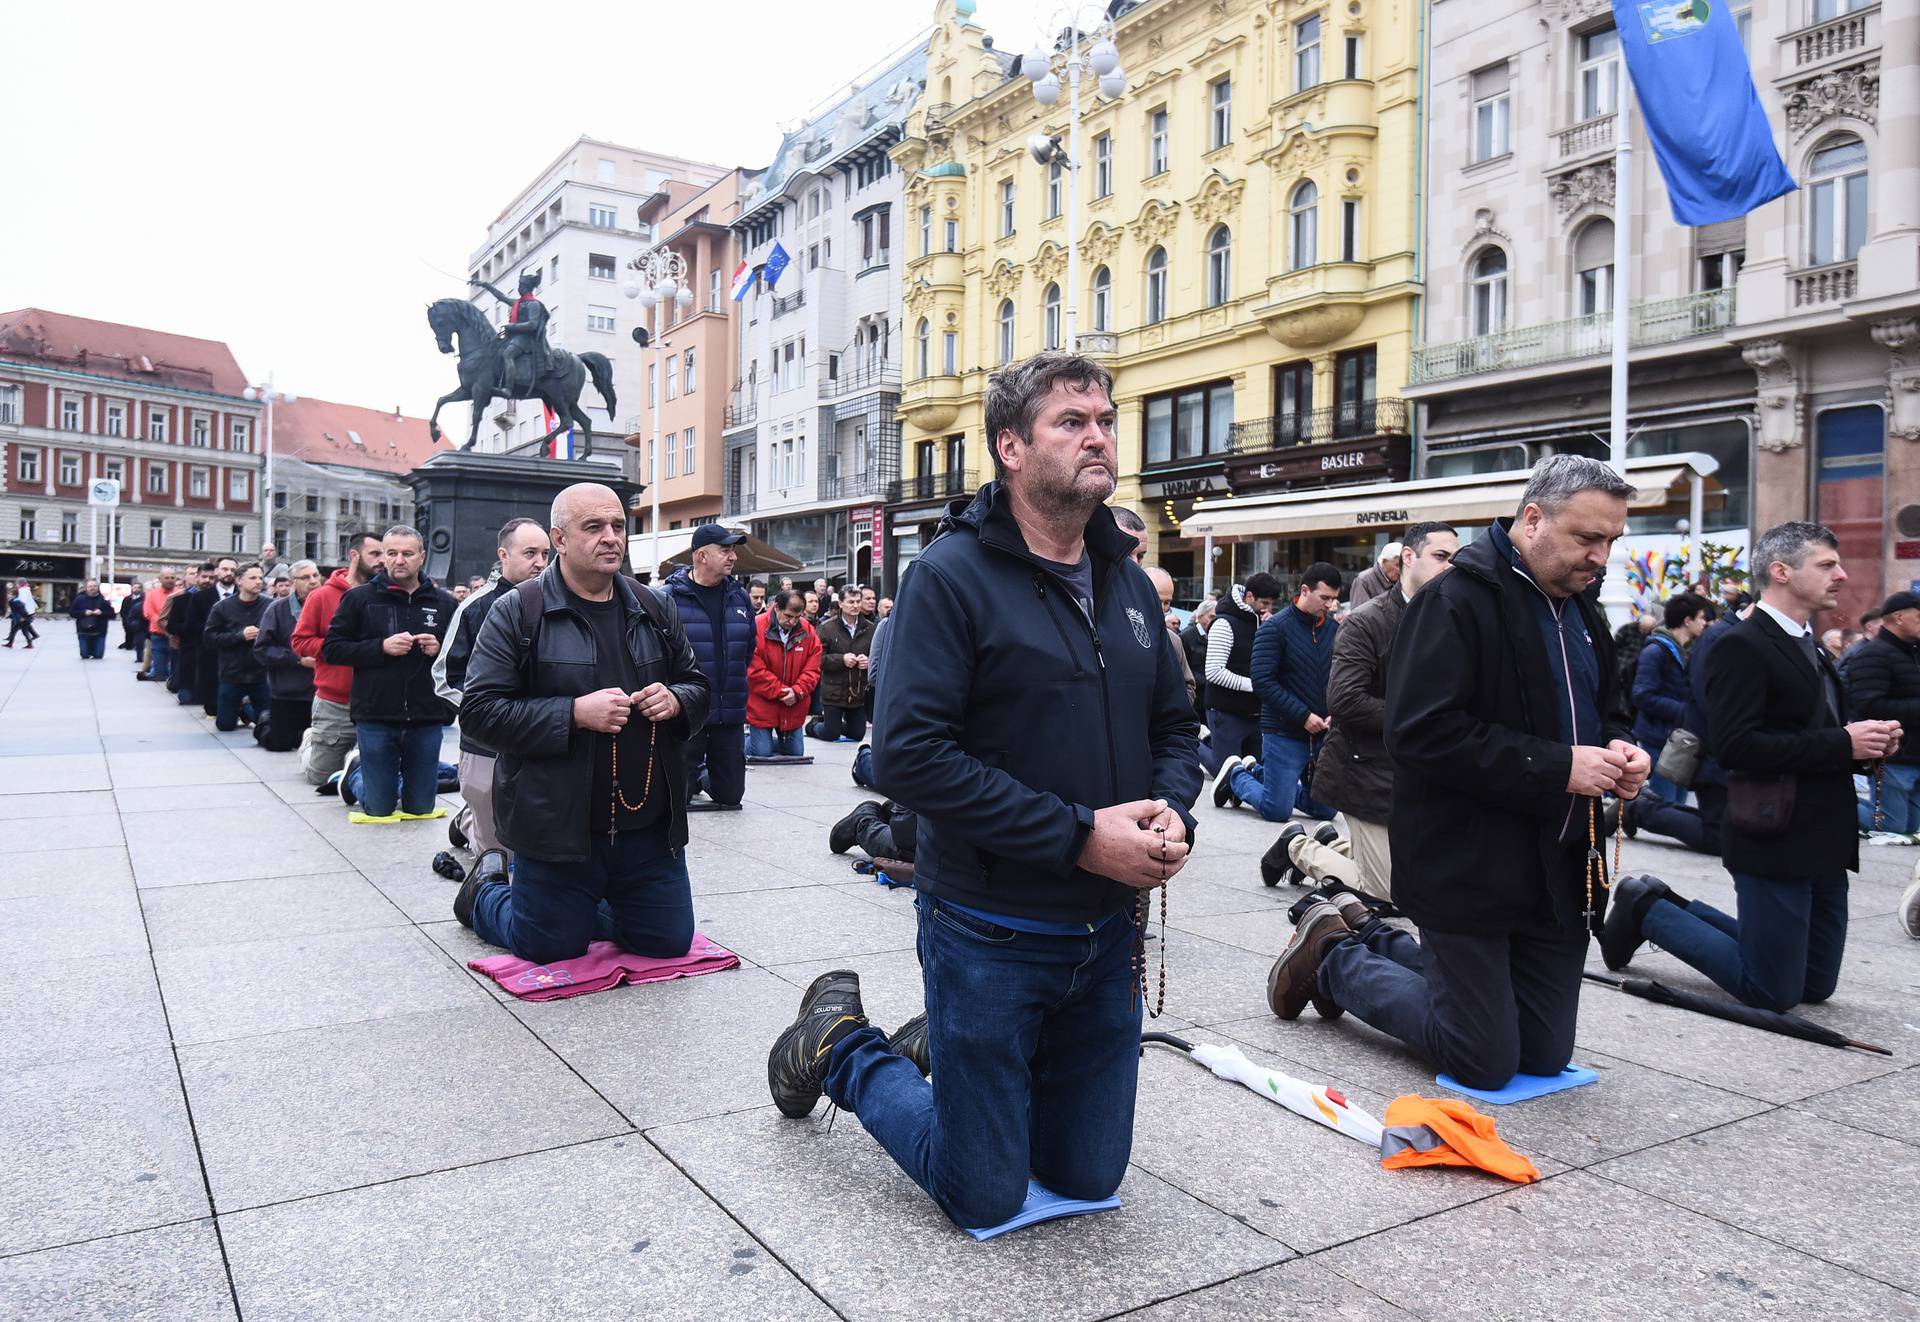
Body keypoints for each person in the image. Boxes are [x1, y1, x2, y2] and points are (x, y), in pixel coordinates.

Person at [767, 351, 1200, 1230]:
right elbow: (910, 759)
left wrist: (1172, 806)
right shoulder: (949, 576)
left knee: (1087, 1181)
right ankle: (844, 1046)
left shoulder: (1126, 580)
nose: (1099, 437)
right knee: (984, 1194)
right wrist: (1081, 833)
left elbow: (1175, 728)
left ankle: (973, 1068)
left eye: (1106, 420)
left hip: (1110, 930)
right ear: (1010, 445)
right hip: (993, 928)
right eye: (1071, 423)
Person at [1269, 455, 1649, 1091]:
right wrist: (1561, 766)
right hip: (1467, 863)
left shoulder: (1584, 608)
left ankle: (1364, 934)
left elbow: (1608, 707)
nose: (1602, 556)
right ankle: (1333, 956)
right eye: (1588, 537)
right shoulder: (1455, 599)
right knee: (1482, 1058)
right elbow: (1420, 733)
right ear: (1533, 520)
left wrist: (1622, 750)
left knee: (1543, 1055)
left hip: (1557, 866)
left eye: (1612, 540)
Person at [1606, 522, 1901, 1010]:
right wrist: (1842, 742)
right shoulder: (1740, 643)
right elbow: (1735, 746)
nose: (1842, 575)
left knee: (1815, 985)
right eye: (1827, 565)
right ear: (1781, 572)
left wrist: (1867, 748)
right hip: (1774, 832)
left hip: (1825, 835)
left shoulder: (1812, 646)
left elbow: (1823, 735)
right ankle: (1649, 911)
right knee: (1772, 991)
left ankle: (1668, 905)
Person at [454, 483, 709, 964]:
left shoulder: (655, 607)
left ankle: (590, 906)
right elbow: (479, 712)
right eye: (593, 527)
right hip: (557, 830)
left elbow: (699, 686)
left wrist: (676, 700)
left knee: (667, 943)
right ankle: (485, 889)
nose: (611, 537)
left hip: (648, 829)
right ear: (560, 539)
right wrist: (572, 713)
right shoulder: (517, 610)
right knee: (548, 948)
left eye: (617, 525)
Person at [1314, 522, 1459, 899]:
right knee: (1390, 893)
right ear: (1408, 557)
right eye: (1440, 557)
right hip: (1363, 770)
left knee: (1426, 874)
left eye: (1455, 559)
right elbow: (1344, 700)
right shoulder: (1367, 621)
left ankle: (1341, 848)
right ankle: (1299, 848)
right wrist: (1418, 717)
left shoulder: (1452, 619)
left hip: (1418, 772)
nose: (1450, 567)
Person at [435, 517, 553, 856]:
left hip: (542, 736)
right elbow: (445, 676)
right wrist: (489, 714)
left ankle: (467, 821)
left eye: (545, 553)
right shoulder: (474, 607)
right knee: (493, 850)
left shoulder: (557, 603)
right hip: (486, 744)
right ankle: (471, 823)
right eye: (530, 553)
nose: (540, 562)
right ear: (504, 554)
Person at [320, 527, 454, 819]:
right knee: (379, 808)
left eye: (407, 553)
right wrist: (381, 647)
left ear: (422, 557)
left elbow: (462, 656)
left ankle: (378, 776)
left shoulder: (444, 602)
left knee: (420, 808)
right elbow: (332, 649)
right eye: (391, 553)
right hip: (376, 713)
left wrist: (440, 649)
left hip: (426, 715)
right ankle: (355, 775)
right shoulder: (359, 599)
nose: (398, 560)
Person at [1218, 563, 1343, 821]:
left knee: (1326, 810)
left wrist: (1334, 713)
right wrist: (1303, 715)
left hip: (1322, 734)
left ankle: (1262, 774)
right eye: (1325, 598)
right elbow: (1263, 682)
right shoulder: (1275, 628)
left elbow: (1340, 678)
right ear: (1305, 590)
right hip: (1283, 731)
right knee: (1277, 811)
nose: (1330, 605)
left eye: (1334, 599)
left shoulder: (1334, 630)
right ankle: (1237, 776)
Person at [661, 525, 754, 808]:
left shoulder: (740, 597)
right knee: (678, 796)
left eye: (733, 550)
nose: (733, 557)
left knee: (730, 797)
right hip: (688, 711)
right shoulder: (668, 598)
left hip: (730, 711)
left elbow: (748, 650)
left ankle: (704, 775)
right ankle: (695, 773)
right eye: (725, 550)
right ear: (701, 555)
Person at [292, 532, 385, 785]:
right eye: (375, 554)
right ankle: (311, 742)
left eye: (384, 554)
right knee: (322, 778)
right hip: (336, 700)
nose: (382, 560)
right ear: (354, 555)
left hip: (379, 699)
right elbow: (300, 641)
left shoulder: (388, 594)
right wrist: (340, 648)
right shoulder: (322, 596)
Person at [1846, 590, 1920, 834]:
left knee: (1910, 827)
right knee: (1889, 825)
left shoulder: (1912, 652)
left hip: (1914, 755)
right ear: (1898, 617)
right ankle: (1828, 805)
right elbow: (1869, 706)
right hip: (1893, 756)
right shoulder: (1873, 654)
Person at [1631, 592, 1712, 802]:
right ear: (1687, 621)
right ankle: (1630, 814)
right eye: (1701, 617)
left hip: (1680, 740)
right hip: (1659, 739)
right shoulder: (1656, 651)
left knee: (1678, 805)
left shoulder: (1686, 650)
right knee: (1663, 806)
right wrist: (1686, 711)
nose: (1705, 623)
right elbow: (1642, 694)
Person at [1203, 571, 1284, 769]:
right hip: (1226, 710)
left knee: (1253, 772)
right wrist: (1255, 686)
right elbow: (1214, 671)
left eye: (1272, 604)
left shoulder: (1263, 622)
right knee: (1226, 772)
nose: (1269, 608)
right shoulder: (1224, 623)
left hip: (1255, 712)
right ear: (1249, 597)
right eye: (1264, 603)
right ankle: (1197, 745)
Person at [254, 560, 322, 751]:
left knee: (311, 743)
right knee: (279, 743)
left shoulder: (333, 604)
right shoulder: (277, 610)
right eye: (306, 577)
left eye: (316, 575)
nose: (313, 581)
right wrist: (298, 660)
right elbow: (262, 650)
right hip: (288, 691)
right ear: (293, 582)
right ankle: (265, 723)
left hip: (321, 691)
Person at [746, 590, 820, 756]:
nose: (793, 622)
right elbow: (754, 669)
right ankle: (742, 741)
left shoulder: (808, 631)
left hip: (794, 705)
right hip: (763, 703)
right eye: (788, 616)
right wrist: (782, 692)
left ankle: (765, 741)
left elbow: (813, 668)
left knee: (795, 753)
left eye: (797, 617)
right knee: (762, 752)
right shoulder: (756, 627)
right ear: (776, 607)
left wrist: (798, 691)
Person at [204, 564, 272, 730]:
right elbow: (209, 638)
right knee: (225, 726)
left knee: (268, 722)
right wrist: (239, 636)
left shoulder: (271, 605)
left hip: (261, 673)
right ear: (239, 581)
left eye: (260, 578)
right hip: (232, 673)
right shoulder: (222, 607)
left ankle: (247, 710)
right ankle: (241, 708)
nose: (258, 582)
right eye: (253, 578)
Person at [811, 586, 875, 742]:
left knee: (857, 734)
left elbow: (878, 656)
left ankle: (837, 725)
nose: (855, 605)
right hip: (834, 692)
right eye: (851, 602)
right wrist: (841, 659)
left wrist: (869, 660)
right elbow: (818, 659)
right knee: (830, 734)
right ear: (840, 603)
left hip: (857, 692)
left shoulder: (870, 628)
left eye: (858, 601)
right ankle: (813, 725)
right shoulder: (826, 628)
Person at [1144, 566, 1197, 711]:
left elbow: (1189, 686)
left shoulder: (1173, 640)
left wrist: (1170, 716)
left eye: (1166, 603)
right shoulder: (1117, 633)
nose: (1160, 608)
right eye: (1155, 598)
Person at [192, 558, 239, 716]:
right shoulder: (201, 597)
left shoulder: (244, 595)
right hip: (210, 652)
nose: (229, 573)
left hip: (238, 654)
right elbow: (192, 626)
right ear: (217, 571)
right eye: (225, 569)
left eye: (232, 570)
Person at [1179, 597, 1214, 726]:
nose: (1214, 620)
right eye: (1211, 616)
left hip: (1210, 699)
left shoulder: (1216, 636)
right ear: (1200, 616)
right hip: (1196, 696)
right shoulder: (1186, 636)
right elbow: (1182, 666)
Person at [138, 573, 177, 680]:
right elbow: (148, 612)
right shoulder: (151, 594)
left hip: (175, 635)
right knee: (160, 671)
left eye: (172, 578)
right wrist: (161, 622)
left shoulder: (180, 593)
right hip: (158, 634)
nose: (170, 580)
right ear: (160, 579)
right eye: (167, 577)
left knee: (174, 666)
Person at [1348, 542, 1402, 610]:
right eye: (1397, 565)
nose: (1400, 570)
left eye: (1402, 566)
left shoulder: (1402, 581)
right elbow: (1358, 616)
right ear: (1384, 561)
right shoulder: (1363, 580)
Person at [69, 578, 113, 660]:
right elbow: (72, 613)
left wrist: (101, 613)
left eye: (95, 586)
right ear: (86, 588)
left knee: (98, 656)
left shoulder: (103, 600)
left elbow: (112, 614)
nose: (92, 588)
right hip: (83, 631)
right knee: (84, 655)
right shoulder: (79, 599)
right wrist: (83, 613)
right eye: (90, 586)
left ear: (98, 587)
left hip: (100, 631)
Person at [7, 580, 39, 648]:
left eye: (10, 594)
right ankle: (10, 643)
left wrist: (23, 617)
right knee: (17, 630)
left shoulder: (17, 600)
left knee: (23, 631)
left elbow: (22, 609)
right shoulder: (14, 600)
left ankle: (30, 643)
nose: (8, 595)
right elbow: (15, 610)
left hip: (23, 618)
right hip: (22, 617)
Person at [119, 581, 147, 655]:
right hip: (128, 621)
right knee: (128, 635)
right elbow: (123, 611)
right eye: (135, 587)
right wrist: (126, 620)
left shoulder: (144, 599)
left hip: (139, 622)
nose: (136, 589)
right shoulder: (127, 599)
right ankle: (128, 645)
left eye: (138, 588)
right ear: (132, 588)